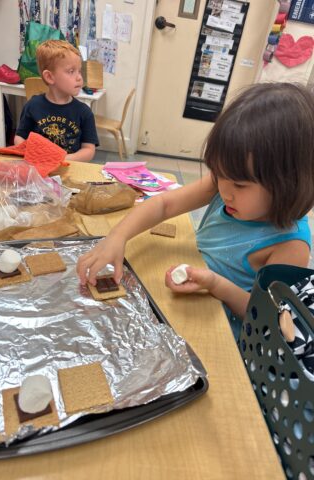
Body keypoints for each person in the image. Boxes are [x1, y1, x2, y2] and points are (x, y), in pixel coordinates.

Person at [77, 82, 314, 340]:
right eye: (219, 175)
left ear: (288, 184)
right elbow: (164, 204)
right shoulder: (227, 182)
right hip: (186, 294)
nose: (224, 191)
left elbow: (262, 318)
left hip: (217, 328)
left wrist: (215, 284)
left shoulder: (291, 245)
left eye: (239, 184)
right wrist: (117, 237)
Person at [14, 40, 99, 163]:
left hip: (68, 168)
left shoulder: (84, 112)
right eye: (71, 71)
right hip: (37, 169)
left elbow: (88, 150)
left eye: (79, 71)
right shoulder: (33, 106)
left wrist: (61, 159)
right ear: (49, 77)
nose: (79, 77)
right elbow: (20, 137)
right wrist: (30, 154)